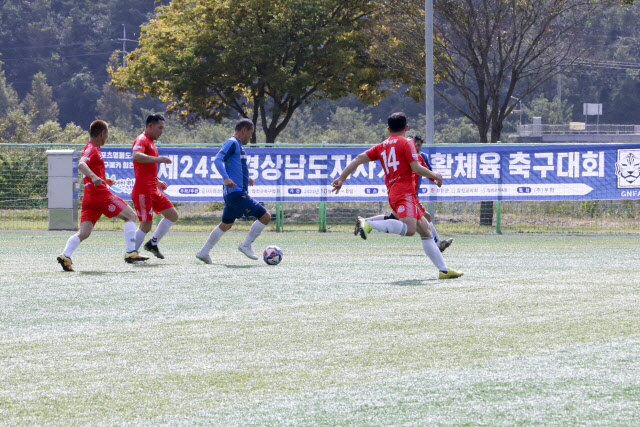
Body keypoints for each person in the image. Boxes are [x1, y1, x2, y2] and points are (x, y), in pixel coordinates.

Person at [332, 112, 462, 279]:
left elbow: (358, 158)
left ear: (388, 129)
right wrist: (435, 175)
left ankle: (444, 271)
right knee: (409, 230)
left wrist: (342, 178)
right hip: (405, 191)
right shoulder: (407, 142)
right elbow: (416, 168)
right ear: (406, 128)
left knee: (426, 231)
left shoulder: (381, 146)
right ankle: (369, 224)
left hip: (396, 191)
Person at [57, 120, 148, 271]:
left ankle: (65, 255)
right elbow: (81, 164)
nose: (107, 137)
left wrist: (105, 179)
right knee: (131, 216)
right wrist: (94, 177)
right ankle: (131, 252)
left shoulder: (93, 149)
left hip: (90, 198)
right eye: (107, 134)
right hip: (99, 195)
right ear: (102, 134)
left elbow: (90, 168)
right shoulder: (91, 149)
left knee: (84, 233)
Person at [358, 135, 453, 253]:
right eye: (415, 144)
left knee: (397, 217)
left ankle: (364, 222)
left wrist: (435, 179)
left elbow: (427, 170)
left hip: (411, 195)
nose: (417, 147)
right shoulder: (403, 156)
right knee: (422, 219)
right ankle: (438, 245)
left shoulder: (421, 157)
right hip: (404, 194)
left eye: (419, 145)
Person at [196, 119, 271, 264]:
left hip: (233, 193)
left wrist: (246, 178)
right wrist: (226, 178)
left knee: (226, 224)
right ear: (244, 130)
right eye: (251, 133)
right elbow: (218, 160)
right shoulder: (232, 142)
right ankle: (246, 245)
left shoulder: (239, 146)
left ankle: (204, 252)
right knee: (265, 216)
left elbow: (234, 166)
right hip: (236, 193)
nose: (251, 136)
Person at [131, 113, 179, 259]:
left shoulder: (151, 142)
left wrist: (157, 181)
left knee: (172, 215)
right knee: (146, 224)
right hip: (143, 190)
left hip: (153, 188)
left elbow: (145, 167)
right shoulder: (142, 139)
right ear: (150, 126)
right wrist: (159, 159)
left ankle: (152, 244)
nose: (161, 131)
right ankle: (131, 253)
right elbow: (136, 156)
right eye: (160, 128)